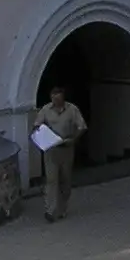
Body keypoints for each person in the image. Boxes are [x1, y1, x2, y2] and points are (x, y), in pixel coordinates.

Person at [33, 85, 87, 223]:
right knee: (51, 180)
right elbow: (37, 124)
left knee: (65, 179)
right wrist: (41, 132)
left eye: (58, 99)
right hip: (51, 149)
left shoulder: (72, 109)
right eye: (53, 99)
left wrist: (74, 139)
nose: (55, 101)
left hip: (66, 148)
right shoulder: (46, 109)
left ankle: (62, 207)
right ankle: (50, 210)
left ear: (63, 98)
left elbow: (81, 127)